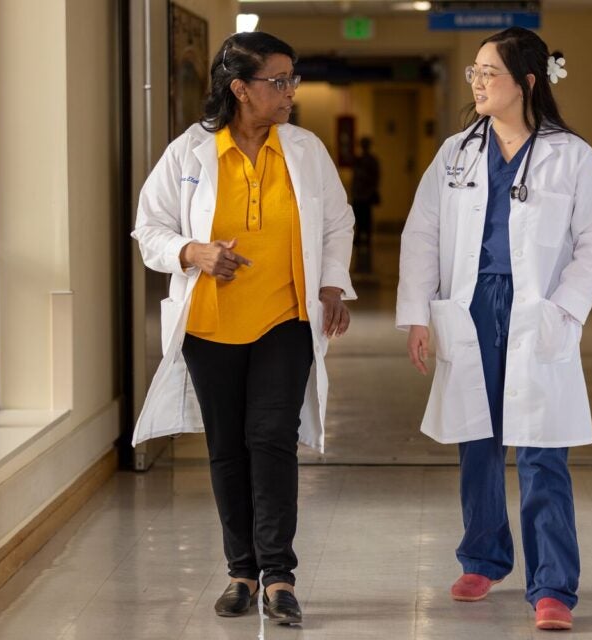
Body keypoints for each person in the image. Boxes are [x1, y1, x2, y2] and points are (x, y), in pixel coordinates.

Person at [396, 27, 592, 632]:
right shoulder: (456, 152)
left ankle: (552, 585)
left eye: (488, 72)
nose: (476, 82)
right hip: (471, 309)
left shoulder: (569, 155)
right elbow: (421, 233)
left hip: (535, 309)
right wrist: (418, 313)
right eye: (473, 71)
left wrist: (566, 307)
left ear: (526, 82)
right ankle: (484, 557)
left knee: (543, 449)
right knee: (478, 439)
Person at [131, 31, 355, 625]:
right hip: (210, 325)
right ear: (240, 89)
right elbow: (147, 228)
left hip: (285, 318)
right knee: (227, 448)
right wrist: (192, 251)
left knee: (272, 439)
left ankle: (278, 575)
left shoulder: (304, 149)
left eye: (292, 79)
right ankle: (240, 572)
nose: (290, 91)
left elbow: (338, 221)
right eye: (277, 81)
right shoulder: (189, 153)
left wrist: (332, 285)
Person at [350, 136, 381, 255]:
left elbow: (375, 178)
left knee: (366, 218)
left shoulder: (372, 160)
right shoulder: (358, 160)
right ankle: (359, 238)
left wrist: (370, 190)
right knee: (357, 217)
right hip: (358, 194)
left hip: (366, 194)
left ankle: (366, 239)